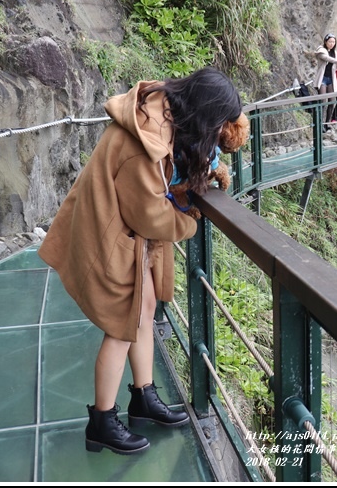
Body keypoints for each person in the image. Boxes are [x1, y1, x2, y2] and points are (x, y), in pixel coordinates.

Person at [38, 66, 243, 455]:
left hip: (124, 231)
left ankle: (143, 397)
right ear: (203, 113)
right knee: (123, 326)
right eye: (217, 123)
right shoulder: (143, 142)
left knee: (145, 308)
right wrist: (189, 223)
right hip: (109, 233)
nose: (219, 132)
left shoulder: (164, 112)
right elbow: (147, 213)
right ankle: (101, 421)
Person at [313, 33, 337, 131]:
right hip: (322, 79)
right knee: (323, 102)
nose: (331, 44)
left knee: (332, 101)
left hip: (331, 79)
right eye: (330, 41)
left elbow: (334, 68)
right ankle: (320, 123)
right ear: (325, 42)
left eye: (333, 42)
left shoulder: (335, 53)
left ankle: (326, 123)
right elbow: (326, 58)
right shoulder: (321, 50)